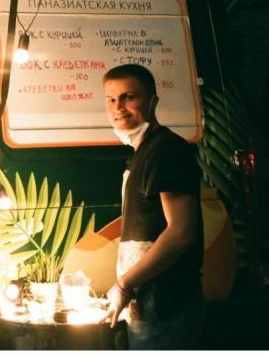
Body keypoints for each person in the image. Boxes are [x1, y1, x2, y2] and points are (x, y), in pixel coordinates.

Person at [100, 64, 204, 350]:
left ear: (152, 100)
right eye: (111, 99)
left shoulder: (167, 150)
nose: (118, 107)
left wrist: (125, 284)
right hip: (147, 303)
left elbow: (181, 233)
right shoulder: (141, 152)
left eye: (128, 97)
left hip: (167, 305)